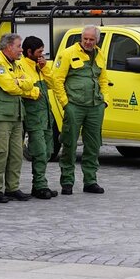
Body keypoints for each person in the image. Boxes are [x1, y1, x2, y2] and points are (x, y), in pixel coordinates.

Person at [51, 25, 109, 194]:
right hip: (74, 106)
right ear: (81, 38)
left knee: (93, 144)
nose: (88, 42)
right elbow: (57, 81)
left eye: (91, 39)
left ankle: (90, 180)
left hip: (95, 106)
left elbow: (103, 79)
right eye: (85, 39)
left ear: (97, 40)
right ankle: (67, 181)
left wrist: (105, 100)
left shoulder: (100, 54)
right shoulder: (68, 53)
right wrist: (65, 104)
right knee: (69, 143)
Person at [0, 33, 36, 203]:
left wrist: (19, 82)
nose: (22, 50)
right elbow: (9, 87)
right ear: (8, 47)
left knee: (16, 154)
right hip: (1, 116)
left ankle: (13, 188)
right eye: (19, 46)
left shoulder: (17, 64)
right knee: (0, 154)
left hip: (16, 114)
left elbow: (31, 81)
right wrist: (20, 83)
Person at [20, 36, 59, 198]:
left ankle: (41, 183)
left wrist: (45, 68)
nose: (42, 55)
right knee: (39, 151)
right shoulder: (21, 66)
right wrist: (34, 93)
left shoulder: (40, 66)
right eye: (39, 52)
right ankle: (39, 185)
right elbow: (21, 88)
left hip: (46, 115)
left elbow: (53, 84)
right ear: (29, 52)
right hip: (33, 116)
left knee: (49, 150)